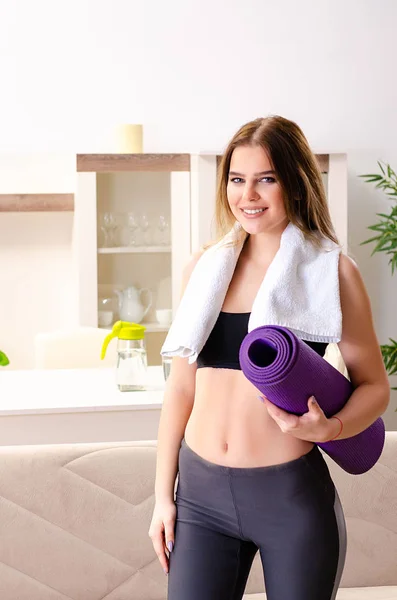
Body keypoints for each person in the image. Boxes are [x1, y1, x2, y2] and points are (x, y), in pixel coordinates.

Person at [148, 115, 390, 600]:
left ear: (295, 183)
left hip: (290, 499)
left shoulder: (333, 273)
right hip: (200, 499)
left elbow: (375, 387)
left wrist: (332, 429)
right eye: (237, 180)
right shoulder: (204, 267)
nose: (248, 196)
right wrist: (162, 497)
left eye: (266, 179)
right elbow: (180, 389)